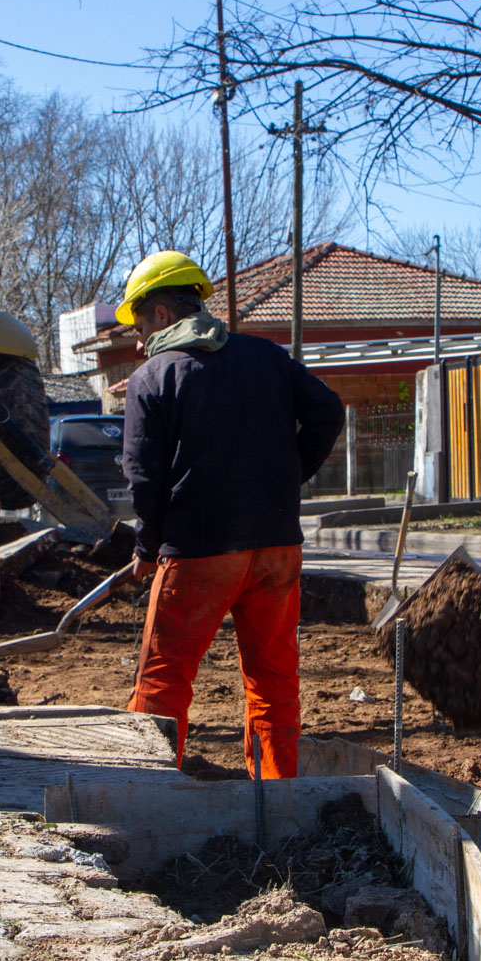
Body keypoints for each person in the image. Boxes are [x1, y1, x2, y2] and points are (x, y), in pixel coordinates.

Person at [117, 251, 345, 779]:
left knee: (163, 678)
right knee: (273, 679)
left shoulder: (152, 378)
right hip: (277, 549)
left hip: (198, 555)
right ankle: (278, 796)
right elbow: (327, 411)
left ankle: (148, 793)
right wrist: (288, 478)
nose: (137, 340)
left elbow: (143, 479)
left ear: (163, 314)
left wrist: (146, 550)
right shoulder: (265, 357)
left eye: (139, 323)